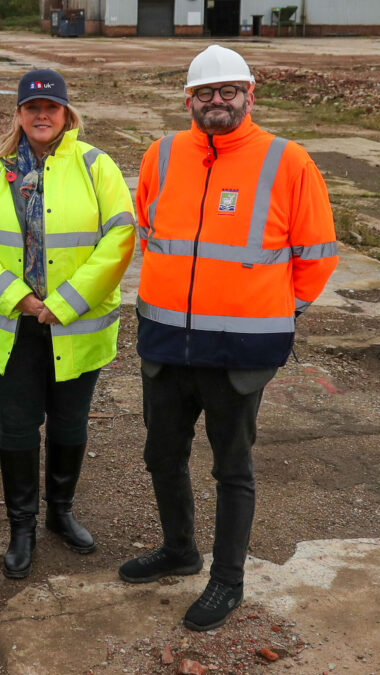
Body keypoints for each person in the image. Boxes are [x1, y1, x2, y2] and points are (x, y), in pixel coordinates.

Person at [118, 44, 338, 631]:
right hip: (166, 340)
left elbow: (316, 255)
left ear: (249, 93)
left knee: (231, 467)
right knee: (161, 453)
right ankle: (179, 549)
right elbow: (148, 231)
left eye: (227, 91)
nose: (216, 102)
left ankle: (227, 579)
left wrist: (273, 309)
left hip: (238, 349)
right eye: (204, 93)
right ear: (187, 99)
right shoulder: (161, 155)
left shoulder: (287, 162)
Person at [0, 69, 134, 579]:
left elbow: (120, 239)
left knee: (71, 425)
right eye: (31, 108)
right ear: (19, 114)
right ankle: (21, 527)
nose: (41, 115)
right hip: (14, 328)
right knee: (17, 429)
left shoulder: (96, 166)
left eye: (50, 107)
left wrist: (66, 303)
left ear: (65, 113)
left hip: (75, 326)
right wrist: (18, 298)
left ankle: (60, 512)